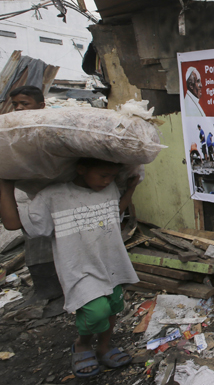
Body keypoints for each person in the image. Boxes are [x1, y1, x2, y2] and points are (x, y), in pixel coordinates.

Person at [0, 158, 140, 378]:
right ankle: (82, 344)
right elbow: (13, 224)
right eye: (103, 175)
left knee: (113, 306)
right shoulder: (54, 195)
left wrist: (130, 188)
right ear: (81, 169)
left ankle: (103, 346)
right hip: (78, 266)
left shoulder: (109, 188)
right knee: (96, 311)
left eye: (112, 176)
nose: (107, 181)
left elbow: (115, 212)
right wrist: (5, 186)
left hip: (109, 262)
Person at [1, 86, 64, 309]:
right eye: (15, 104)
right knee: (35, 242)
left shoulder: (51, 128)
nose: (19, 108)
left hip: (57, 194)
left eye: (24, 104)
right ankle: (46, 290)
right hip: (27, 196)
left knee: (64, 241)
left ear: (41, 106)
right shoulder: (10, 131)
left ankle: (64, 291)